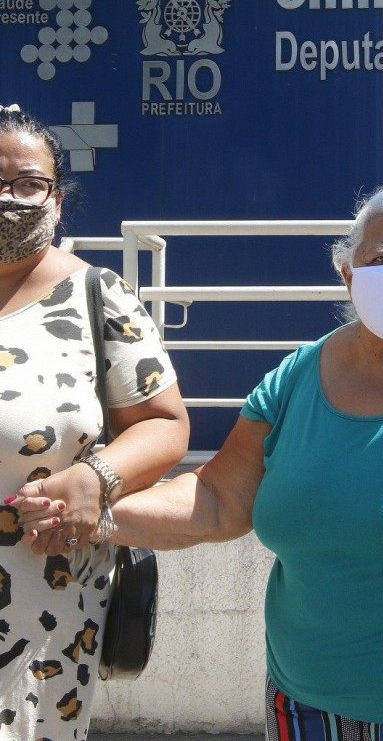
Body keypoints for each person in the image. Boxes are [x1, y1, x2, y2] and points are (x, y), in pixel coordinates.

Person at [19, 173, 383, 741]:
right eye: (382, 257)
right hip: (304, 705)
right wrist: (99, 508)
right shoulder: (298, 376)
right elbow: (218, 499)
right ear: (347, 275)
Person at [0, 105, 190, 741]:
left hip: (46, 616)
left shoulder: (95, 294)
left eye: (27, 182)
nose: (9, 197)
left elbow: (165, 424)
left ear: (57, 196)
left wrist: (95, 477)